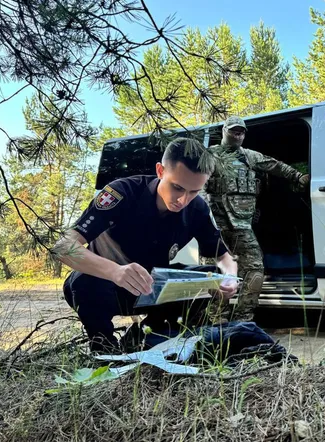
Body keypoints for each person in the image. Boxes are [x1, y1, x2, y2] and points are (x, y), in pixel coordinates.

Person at [55, 137, 239, 352]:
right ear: (160, 171)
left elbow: (223, 256)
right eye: (177, 187)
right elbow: (63, 247)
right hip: (106, 287)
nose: (183, 200)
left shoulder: (197, 209)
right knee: (84, 281)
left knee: (208, 275)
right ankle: (104, 349)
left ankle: (147, 340)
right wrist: (115, 271)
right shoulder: (122, 192)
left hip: (151, 288)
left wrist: (229, 277)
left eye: (194, 191)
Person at [203, 116, 310, 321]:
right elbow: (198, 186)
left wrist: (297, 177)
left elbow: (275, 166)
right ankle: (218, 319)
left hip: (242, 225)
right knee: (216, 273)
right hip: (216, 227)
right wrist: (202, 219)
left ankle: (244, 318)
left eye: (241, 132)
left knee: (255, 270)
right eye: (234, 130)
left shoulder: (250, 156)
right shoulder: (210, 156)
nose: (238, 134)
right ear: (224, 131)